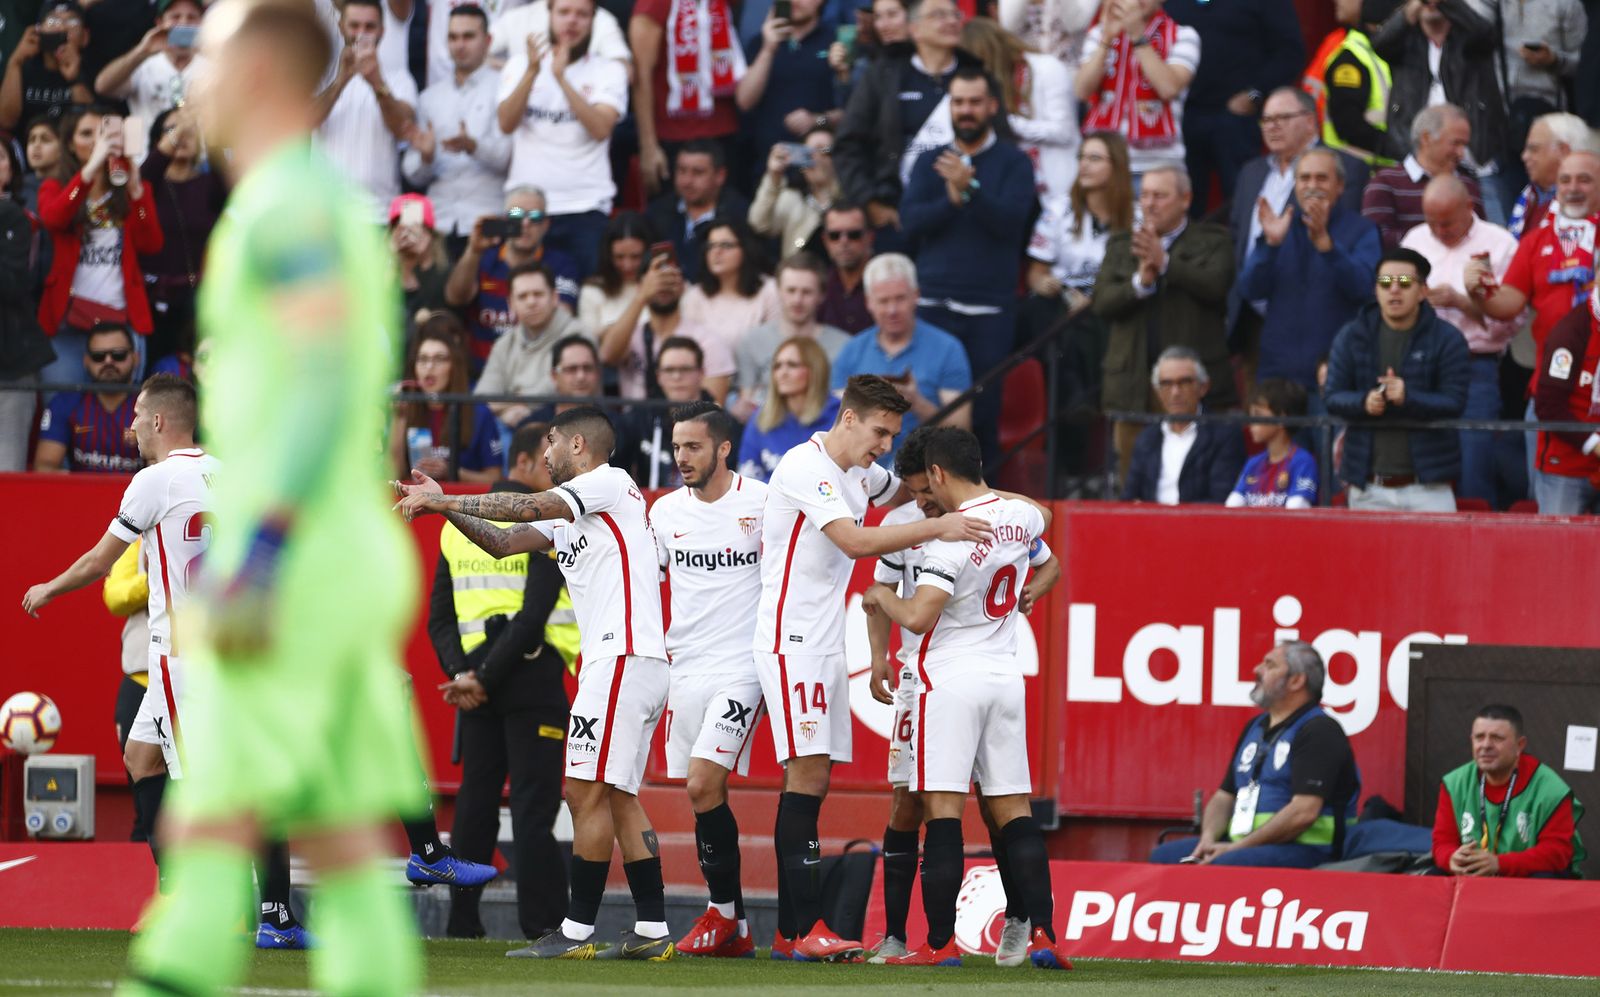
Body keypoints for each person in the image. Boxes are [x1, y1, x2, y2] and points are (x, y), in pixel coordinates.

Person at [116, 2, 437, 989]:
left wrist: (258, 554)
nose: (190, 79)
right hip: (332, 553)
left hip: (297, 559)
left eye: (205, 58)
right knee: (335, 839)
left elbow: (314, 376)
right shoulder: (305, 202)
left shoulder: (285, 208)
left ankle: (167, 972)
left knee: (216, 805)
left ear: (255, 67)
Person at [396, 406, 675, 960]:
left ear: (577, 444)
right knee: (618, 796)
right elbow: (504, 541)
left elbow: (525, 504)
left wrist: (444, 498)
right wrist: (443, 509)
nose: (543, 455)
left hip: (620, 658)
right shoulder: (577, 516)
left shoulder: (606, 482)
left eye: (549, 443)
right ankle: (651, 931)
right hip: (632, 661)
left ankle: (574, 933)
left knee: (579, 791)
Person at [753, 373, 990, 960]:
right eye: (880, 432)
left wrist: (986, 501)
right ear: (848, 417)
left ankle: (791, 932)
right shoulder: (807, 468)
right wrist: (941, 526)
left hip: (824, 640)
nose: (884, 445)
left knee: (813, 778)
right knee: (806, 776)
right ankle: (805, 928)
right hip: (792, 639)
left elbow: (906, 491)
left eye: (891, 435)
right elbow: (856, 543)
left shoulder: (860, 470)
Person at [861, 426, 1067, 969]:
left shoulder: (948, 537)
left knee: (943, 810)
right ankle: (1044, 934)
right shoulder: (1021, 517)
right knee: (1014, 810)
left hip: (947, 679)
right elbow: (1044, 537)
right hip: (1004, 675)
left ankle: (938, 945)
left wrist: (881, 593)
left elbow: (919, 615)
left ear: (937, 473)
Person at [24, 372, 213, 886]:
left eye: (135, 417)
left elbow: (98, 561)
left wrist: (49, 588)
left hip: (181, 656)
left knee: (200, 784)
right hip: (211, 647)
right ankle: (178, 890)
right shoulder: (225, 473)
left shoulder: (154, 480)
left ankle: (215, 900)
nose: (130, 428)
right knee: (139, 756)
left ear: (157, 419)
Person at [427, 421, 577, 940]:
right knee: (533, 809)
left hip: (476, 679)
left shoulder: (456, 523)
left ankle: (462, 925)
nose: (560, 469)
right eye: (551, 456)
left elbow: (439, 621)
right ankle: (543, 930)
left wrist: (465, 675)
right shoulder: (544, 523)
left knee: (475, 803)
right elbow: (535, 614)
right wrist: (484, 675)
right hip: (530, 675)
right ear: (525, 464)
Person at [649, 402, 767, 959]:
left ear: (722, 449)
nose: (681, 457)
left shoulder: (763, 504)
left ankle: (719, 913)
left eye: (692, 447)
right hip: (686, 667)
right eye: (675, 447)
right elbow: (647, 584)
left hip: (743, 667)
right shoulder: (665, 513)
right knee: (704, 794)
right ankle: (738, 926)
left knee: (702, 782)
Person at [901, 64, 1036, 464]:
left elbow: (1012, 225)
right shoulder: (930, 161)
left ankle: (985, 508)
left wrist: (971, 188)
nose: (966, 110)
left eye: (975, 102)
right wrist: (952, 200)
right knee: (926, 419)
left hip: (989, 312)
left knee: (983, 417)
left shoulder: (1015, 162)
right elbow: (910, 223)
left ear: (992, 106)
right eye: (958, 102)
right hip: (933, 309)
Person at [1151, 642, 1361, 868]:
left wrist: (1234, 848)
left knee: (1226, 864)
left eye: (1269, 665)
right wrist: (1208, 839)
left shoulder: (1319, 731)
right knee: (1164, 857)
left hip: (1307, 850)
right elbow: (1224, 797)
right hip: (1246, 845)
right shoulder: (1255, 727)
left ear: (1296, 681)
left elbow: (1303, 812)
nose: (1256, 670)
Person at [1094, 165, 1235, 479]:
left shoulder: (1214, 240)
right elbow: (1102, 303)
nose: (1149, 203)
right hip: (1133, 384)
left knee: (1194, 478)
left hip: (1191, 386)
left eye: (1160, 195)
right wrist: (1140, 283)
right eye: (1144, 195)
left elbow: (1216, 286)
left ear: (1185, 199)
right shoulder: (1121, 245)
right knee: (1132, 481)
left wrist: (1166, 263)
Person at [1468, 151, 1600, 467]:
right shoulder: (1536, 240)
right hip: (1555, 391)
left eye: (1585, 179)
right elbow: (1507, 306)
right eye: (1564, 180)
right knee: (1551, 505)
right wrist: (1480, 290)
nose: (1573, 188)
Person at [1229, 89, 1369, 379]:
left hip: (1323, 323)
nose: (1271, 126)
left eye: (1282, 118)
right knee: (1266, 419)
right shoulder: (1251, 172)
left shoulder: (1348, 168)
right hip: (1259, 322)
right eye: (1266, 119)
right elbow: (1237, 238)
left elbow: (1368, 272)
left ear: (1309, 120)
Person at [1401, 175, 1521, 507]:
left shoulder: (1500, 244)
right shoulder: (1414, 239)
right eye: (1432, 222)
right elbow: (1385, 278)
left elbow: (1513, 321)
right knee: (1416, 462)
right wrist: (1409, 292)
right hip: (1417, 365)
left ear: (1469, 207)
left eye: (1448, 223)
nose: (1439, 231)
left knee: (1475, 465)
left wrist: (1462, 302)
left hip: (1475, 367)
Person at [1325, 246, 1470, 511]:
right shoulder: (1351, 336)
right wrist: (1363, 402)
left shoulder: (1448, 339)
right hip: (1368, 488)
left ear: (1423, 291)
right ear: (1375, 290)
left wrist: (1408, 397)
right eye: (1384, 282)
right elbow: (1332, 396)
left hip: (1429, 488)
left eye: (1404, 282)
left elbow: (1455, 401)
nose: (1394, 289)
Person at [832, 0, 986, 245]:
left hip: (962, 223)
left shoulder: (977, 74)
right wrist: (871, 203)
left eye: (954, 15)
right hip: (897, 219)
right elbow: (847, 144)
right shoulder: (883, 74)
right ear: (915, 28)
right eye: (939, 15)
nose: (951, 22)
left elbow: (997, 144)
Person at [496, 0, 629, 278]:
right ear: (549, 15)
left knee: (587, 298)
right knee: (522, 300)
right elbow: (506, 123)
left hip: (586, 207)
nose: (572, 21)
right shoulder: (521, 64)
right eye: (564, 12)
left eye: (582, 14)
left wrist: (561, 78)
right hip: (526, 210)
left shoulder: (608, 70)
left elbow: (601, 128)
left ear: (594, 20)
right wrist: (533, 72)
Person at [36, 107, 165, 387]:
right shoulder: (54, 186)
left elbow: (151, 243)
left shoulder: (130, 189)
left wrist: (137, 193)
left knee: (123, 413)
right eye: (87, 134)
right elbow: (54, 218)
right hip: (68, 321)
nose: (99, 141)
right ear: (69, 143)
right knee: (63, 405)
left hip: (122, 320)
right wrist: (88, 173)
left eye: (104, 134)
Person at [1240, 147, 1383, 391]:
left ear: (1340, 186)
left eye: (1321, 178)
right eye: (1304, 178)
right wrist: (1270, 246)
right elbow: (1250, 289)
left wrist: (1328, 248)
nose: (1312, 185)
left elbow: (1364, 289)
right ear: (1295, 185)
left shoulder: (1362, 230)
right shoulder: (1281, 227)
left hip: (1336, 373)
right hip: (1278, 374)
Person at [1371, 0, 1507, 223]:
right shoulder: (1406, 44)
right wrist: (1409, 11)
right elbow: (1380, 43)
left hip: (1475, 161)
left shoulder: (1469, 41)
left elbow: (1485, 32)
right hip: (1420, 163)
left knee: (1491, 234)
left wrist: (1446, 4)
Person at [1162, 0, 1304, 211]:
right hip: (1182, 116)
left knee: (1243, 199)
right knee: (1178, 201)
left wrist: (1256, 93)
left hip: (1236, 117)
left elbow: (1290, 52)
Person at [831, 253, 972, 461]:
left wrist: (916, 401)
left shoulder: (948, 349)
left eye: (900, 298)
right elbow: (836, 425)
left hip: (927, 466)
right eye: (883, 301)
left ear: (916, 296)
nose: (892, 310)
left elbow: (961, 433)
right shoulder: (851, 351)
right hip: (864, 468)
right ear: (869, 302)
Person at [400, 3, 513, 255]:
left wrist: (473, 146)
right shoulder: (430, 97)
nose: (459, 45)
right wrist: (426, 157)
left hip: (490, 218)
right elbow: (411, 174)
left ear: (488, 40)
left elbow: (510, 159)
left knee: (491, 294)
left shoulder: (505, 89)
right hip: (439, 222)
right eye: (453, 37)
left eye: (468, 36)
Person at [1432, 704, 1585, 877]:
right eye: (1479, 737)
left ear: (1520, 745)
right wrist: (1451, 858)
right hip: (1473, 876)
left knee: (1545, 877)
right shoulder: (1454, 783)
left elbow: (1557, 854)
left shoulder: (1551, 790)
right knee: (1434, 876)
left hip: (1526, 880)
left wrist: (1499, 863)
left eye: (1497, 738)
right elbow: (1442, 842)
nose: (1486, 745)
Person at [446, 185, 582, 373]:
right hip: (482, 376)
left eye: (535, 217)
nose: (525, 223)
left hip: (535, 377)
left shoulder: (561, 265)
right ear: (504, 220)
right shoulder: (483, 259)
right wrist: (473, 250)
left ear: (545, 225)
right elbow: (455, 297)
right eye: (516, 215)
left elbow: (561, 320)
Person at [312, 0, 419, 223]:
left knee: (515, 213)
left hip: (378, 213)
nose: (361, 34)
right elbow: (302, 125)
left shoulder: (399, 79)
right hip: (326, 215)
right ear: (341, 27)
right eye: (354, 25)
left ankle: (515, 219)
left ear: (382, 30)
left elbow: (404, 130)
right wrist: (341, 81)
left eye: (369, 26)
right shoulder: (324, 76)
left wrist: (376, 81)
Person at [138, 107, 226, 369]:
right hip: (152, 298)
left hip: (197, 297)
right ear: (157, 142)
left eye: (190, 131)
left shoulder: (210, 183)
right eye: (172, 130)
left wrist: (208, 124)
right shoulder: (148, 183)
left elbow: (227, 175)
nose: (183, 135)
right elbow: (145, 175)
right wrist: (183, 125)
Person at [1074, 0, 1200, 182]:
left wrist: (1138, 37)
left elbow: (1168, 88)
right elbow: (1081, 90)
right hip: (1105, 167)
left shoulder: (1183, 35)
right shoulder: (1098, 34)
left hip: (1156, 169)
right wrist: (1107, 39)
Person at [961, 17, 1078, 211]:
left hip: (1057, 188)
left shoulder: (1047, 67)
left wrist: (1003, 121)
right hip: (1015, 186)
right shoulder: (994, 82)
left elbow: (1064, 131)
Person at [629, 0, 744, 196]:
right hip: (673, 137)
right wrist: (648, 146)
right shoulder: (654, 4)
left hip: (725, 131)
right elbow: (641, 76)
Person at [598, 242, 735, 403]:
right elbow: (607, 356)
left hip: (686, 425)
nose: (663, 285)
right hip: (635, 425)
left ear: (684, 285)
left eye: (671, 277)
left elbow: (713, 409)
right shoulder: (630, 335)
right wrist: (641, 296)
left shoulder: (707, 341)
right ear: (640, 286)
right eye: (656, 279)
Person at [1026, 131, 1135, 312]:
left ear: (1117, 165)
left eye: (1094, 158)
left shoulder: (1138, 216)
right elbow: (1036, 272)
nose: (1084, 164)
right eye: (1081, 157)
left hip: (1113, 310)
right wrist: (1042, 283)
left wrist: (1095, 302)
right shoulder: (1058, 209)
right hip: (1063, 308)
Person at [1122, 346, 1247, 504]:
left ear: (1203, 387)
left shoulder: (1224, 435)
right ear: (1157, 392)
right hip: (1150, 525)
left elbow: (1221, 500)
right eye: (1166, 384)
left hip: (1200, 526)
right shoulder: (1147, 438)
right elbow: (1128, 499)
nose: (1175, 392)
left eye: (1184, 382)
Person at [736, 0, 839, 191]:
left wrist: (817, 120)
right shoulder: (760, 43)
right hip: (769, 169)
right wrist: (768, 49)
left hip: (819, 172)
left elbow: (851, 114)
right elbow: (744, 101)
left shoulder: (835, 44)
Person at [476, 263, 592, 429]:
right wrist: (511, 409)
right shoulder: (504, 343)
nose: (531, 302)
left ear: (554, 298)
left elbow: (559, 388)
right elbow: (481, 398)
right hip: (510, 426)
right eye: (522, 296)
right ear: (511, 304)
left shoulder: (579, 336)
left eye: (538, 294)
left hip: (569, 428)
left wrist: (512, 406)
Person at [390, 315, 504, 484]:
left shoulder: (479, 412)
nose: (429, 367)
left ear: (454, 366)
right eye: (423, 359)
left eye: (439, 359)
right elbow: (394, 474)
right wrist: (399, 418)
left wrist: (451, 471)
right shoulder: (407, 408)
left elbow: (495, 478)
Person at [735, 254, 850, 414]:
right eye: (791, 290)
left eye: (807, 292)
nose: (797, 300)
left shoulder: (844, 345)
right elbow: (745, 401)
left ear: (822, 295)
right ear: (778, 291)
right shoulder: (751, 342)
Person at [1360, 103, 1486, 250]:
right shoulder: (1385, 183)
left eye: (1464, 145)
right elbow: (1375, 239)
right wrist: (1436, 242)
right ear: (1426, 138)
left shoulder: (1468, 185)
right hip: (1403, 273)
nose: (1461, 153)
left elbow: (1481, 237)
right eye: (1456, 143)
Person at [1498, 0, 1588, 199]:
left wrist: (1553, 60)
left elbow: (1585, 63)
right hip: (1501, 119)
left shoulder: (1566, 5)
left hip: (1549, 113)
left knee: (1551, 196)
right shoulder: (1494, 4)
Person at [93, 0, 209, 149]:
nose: (183, 23)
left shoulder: (214, 67)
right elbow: (102, 87)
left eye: (191, 17)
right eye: (175, 17)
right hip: (145, 163)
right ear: (160, 22)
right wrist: (142, 51)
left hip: (199, 164)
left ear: (202, 23)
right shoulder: (141, 65)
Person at [0, 143, 52, 472]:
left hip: (12, 362)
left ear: (12, 169)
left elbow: (14, 284)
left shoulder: (19, 218)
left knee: (8, 475)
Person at [34, 322, 143, 473]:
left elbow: (160, 470)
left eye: (118, 355)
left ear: (136, 358)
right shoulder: (66, 402)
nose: (108, 362)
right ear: (86, 361)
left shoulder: (152, 404)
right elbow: (45, 466)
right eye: (98, 356)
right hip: (79, 495)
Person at [1531, 292, 1600, 514]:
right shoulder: (1572, 329)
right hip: (1565, 467)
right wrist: (1595, 444)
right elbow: (1548, 407)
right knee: (1556, 547)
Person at [645, 141, 751, 285]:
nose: (687, 181)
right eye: (682, 171)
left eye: (698, 172)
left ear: (720, 175)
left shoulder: (740, 214)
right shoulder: (657, 213)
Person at [738, 336, 842, 481]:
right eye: (777, 366)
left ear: (815, 370)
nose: (782, 373)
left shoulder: (841, 418)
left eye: (792, 365)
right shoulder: (760, 419)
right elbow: (747, 480)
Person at [1320, 0, 1404, 168]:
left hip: (1387, 170)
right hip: (1355, 172)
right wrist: (1403, 150)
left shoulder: (1398, 51)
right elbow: (1349, 126)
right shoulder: (1351, 59)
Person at [625, 336, 714, 488]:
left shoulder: (721, 422)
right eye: (669, 370)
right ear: (658, 376)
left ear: (701, 373)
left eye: (685, 369)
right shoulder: (639, 419)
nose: (677, 376)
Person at [681, 218, 779, 354]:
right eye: (711, 246)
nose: (716, 252)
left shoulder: (769, 290)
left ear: (746, 249)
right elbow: (688, 350)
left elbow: (776, 344)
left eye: (726, 245)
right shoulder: (694, 296)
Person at [749, 128, 842, 260]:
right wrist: (774, 177)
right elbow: (759, 224)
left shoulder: (852, 197)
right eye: (807, 153)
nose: (815, 158)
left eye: (825, 151)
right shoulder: (791, 198)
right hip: (797, 276)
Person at [0, 3, 95, 131]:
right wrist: (15, 62)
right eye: (52, 20)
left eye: (72, 21)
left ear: (85, 37)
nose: (61, 27)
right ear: (38, 30)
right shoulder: (25, 66)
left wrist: (75, 78)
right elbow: (6, 121)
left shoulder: (92, 66)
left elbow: (91, 125)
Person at [1226, 378, 1319, 508]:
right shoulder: (1253, 463)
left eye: (1257, 414)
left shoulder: (1303, 462)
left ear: (1281, 418)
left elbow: (1297, 509)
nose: (1251, 423)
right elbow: (1232, 506)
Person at [1510, 112, 1594, 239]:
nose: (1525, 156)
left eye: (1534, 149)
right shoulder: (1529, 196)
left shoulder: (1588, 201)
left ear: (1563, 151)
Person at [579, 212, 654, 340]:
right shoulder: (592, 291)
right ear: (608, 255)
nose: (627, 265)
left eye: (636, 257)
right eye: (619, 257)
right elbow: (588, 341)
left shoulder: (661, 287)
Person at [387, 192, 453, 332]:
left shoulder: (444, 272)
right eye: (400, 226)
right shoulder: (380, 270)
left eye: (414, 226)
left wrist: (422, 261)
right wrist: (394, 258)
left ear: (429, 233)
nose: (406, 233)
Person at [817, 202, 875, 333]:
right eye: (834, 236)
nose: (844, 242)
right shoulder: (819, 286)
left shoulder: (888, 284)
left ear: (869, 238)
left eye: (854, 235)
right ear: (825, 241)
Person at [23, 114, 64, 213]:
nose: (36, 145)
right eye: (31, 140)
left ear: (63, 148)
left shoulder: (74, 187)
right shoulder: (18, 187)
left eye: (45, 140)